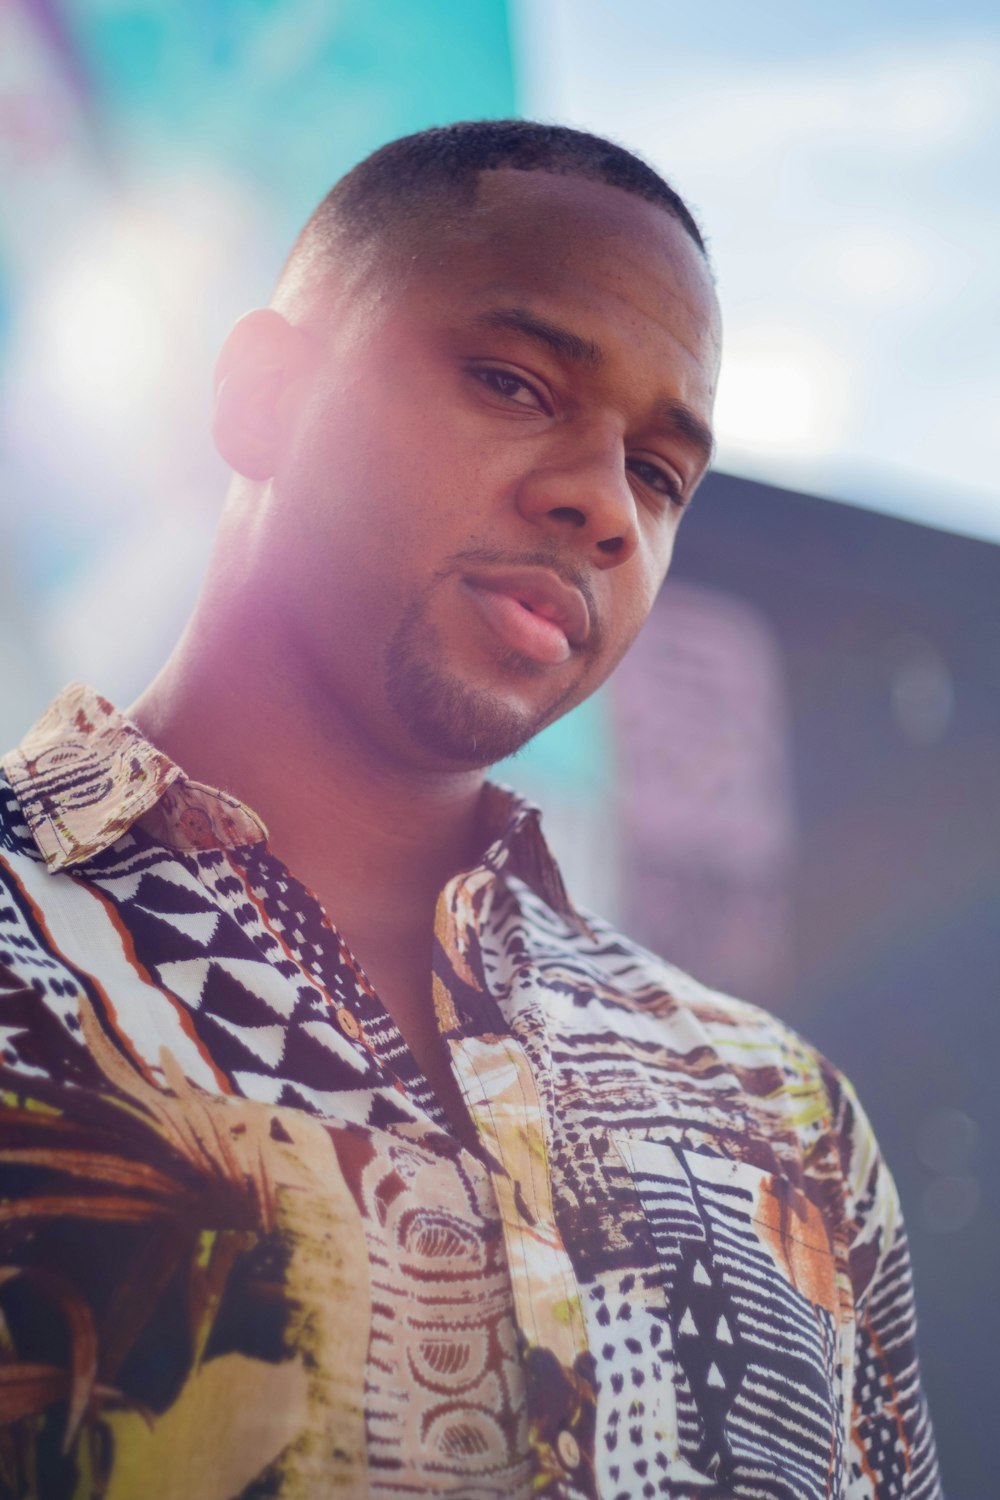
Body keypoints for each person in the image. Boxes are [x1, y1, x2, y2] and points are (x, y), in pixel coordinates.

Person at [0, 120, 939, 1499]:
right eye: (511, 382)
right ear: (264, 395)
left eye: (662, 475)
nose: (606, 505)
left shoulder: (789, 1119)